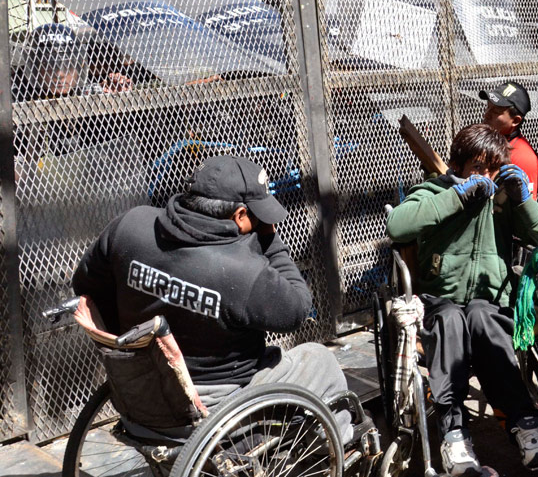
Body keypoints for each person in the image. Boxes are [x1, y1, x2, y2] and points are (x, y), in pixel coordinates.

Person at [72, 155, 352, 438]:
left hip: (139, 394)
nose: (261, 223)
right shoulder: (242, 270)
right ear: (240, 216)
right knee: (319, 360)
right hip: (210, 408)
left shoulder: (130, 225)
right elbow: (297, 309)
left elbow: (86, 285)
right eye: (258, 216)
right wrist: (269, 240)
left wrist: (137, 327)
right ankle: (340, 445)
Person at [386, 124, 538, 476]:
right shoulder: (434, 190)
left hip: (489, 301)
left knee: (483, 319)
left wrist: (523, 201)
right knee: (453, 320)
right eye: (476, 168)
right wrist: (457, 196)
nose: (485, 176)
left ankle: (526, 424)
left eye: (492, 169)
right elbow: (398, 227)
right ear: (458, 165)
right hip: (442, 300)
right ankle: (454, 434)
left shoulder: (502, 201)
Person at [480, 81, 538, 200]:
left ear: (515, 121)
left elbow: (526, 209)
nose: (486, 115)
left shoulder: (522, 157)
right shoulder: (487, 142)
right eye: (488, 107)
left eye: (495, 112)